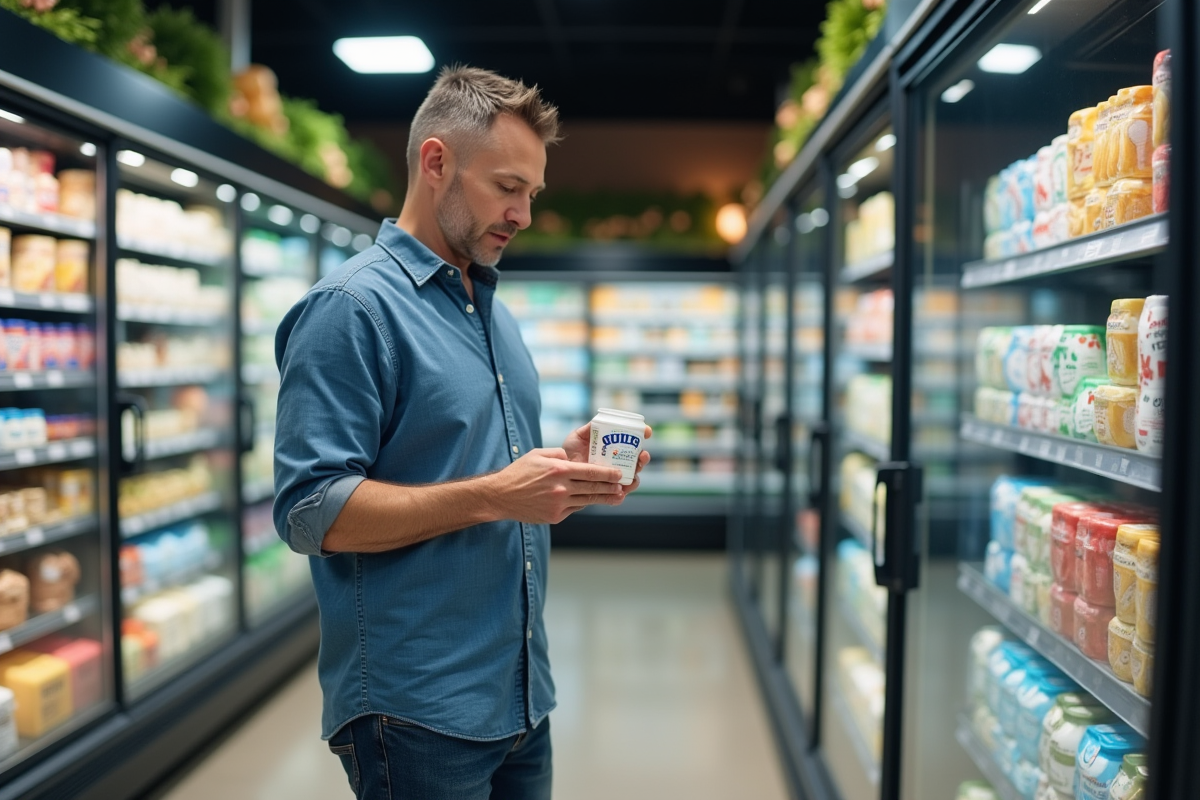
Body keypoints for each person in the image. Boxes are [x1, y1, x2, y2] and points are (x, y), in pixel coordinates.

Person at [272, 65, 652, 800]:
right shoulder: (351, 309)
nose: (524, 214)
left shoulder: (488, 310)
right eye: (507, 187)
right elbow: (308, 509)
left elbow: (478, 467)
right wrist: (497, 496)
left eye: (533, 194)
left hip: (519, 693)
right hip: (417, 711)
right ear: (435, 161)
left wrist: (561, 471)